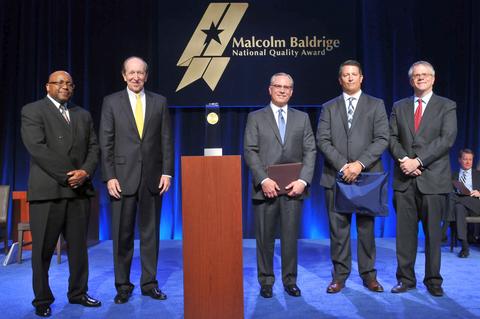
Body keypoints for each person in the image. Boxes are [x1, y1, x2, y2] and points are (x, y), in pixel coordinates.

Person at [21, 71, 101, 317]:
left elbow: (94, 147)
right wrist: (70, 175)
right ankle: (42, 299)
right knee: (43, 251)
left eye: (69, 83)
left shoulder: (83, 114)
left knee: (78, 249)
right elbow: (37, 148)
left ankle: (78, 293)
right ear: (48, 86)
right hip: (49, 191)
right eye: (59, 83)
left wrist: (86, 172)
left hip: (79, 192)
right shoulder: (33, 111)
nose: (65, 86)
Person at [99, 56, 173, 304]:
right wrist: (109, 176)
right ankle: (123, 286)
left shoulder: (159, 102)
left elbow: (166, 140)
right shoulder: (111, 102)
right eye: (131, 73)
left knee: (151, 234)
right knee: (122, 235)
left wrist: (167, 171)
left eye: (140, 73)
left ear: (146, 76)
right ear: (123, 75)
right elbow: (105, 143)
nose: (136, 77)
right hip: (121, 178)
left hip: (152, 178)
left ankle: (149, 283)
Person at [316, 60, 389, 294]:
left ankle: (369, 276)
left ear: (361, 78)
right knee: (339, 231)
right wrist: (343, 166)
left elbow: (382, 139)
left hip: (366, 177)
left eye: (353, 74)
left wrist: (359, 164)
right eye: (345, 75)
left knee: (366, 230)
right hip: (336, 177)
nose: (349, 78)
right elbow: (322, 140)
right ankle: (339, 276)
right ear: (340, 79)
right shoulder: (328, 107)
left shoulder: (376, 105)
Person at [244, 72, 316, 298]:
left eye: (287, 87)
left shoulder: (302, 118)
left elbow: (310, 151)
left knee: (289, 238)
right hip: (266, 189)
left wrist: (303, 181)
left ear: (292, 91)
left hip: (294, 189)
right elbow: (250, 151)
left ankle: (290, 281)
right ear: (270, 89)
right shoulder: (255, 117)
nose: (282, 90)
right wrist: (263, 180)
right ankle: (266, 281)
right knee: (264, 238)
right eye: (278, 86)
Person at [389, 61, 457, 297]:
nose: (420, 78)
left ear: (433, 79)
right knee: (405, 236)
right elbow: (391, 138)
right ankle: (405, 279)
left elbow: (446, 139)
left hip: (433, 181)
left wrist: (417, 161)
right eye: (416, 75)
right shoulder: (399, 106)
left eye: (425, 75)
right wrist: (404, 161)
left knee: (432, 236)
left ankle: (433, 280)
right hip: (404, 181)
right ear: (411, 80)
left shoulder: (446, 106)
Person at [451, 149, 480, 258]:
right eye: (465, 159)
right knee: (458, 207)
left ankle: (443, 231)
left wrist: (479, 193)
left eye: (470, 159)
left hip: (476, 205)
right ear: (459, 160)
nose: (468, 162)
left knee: (455, 200)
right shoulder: (453, 175)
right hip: (462, 207)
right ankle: (464, 246)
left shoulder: (478, 174)